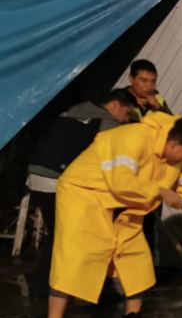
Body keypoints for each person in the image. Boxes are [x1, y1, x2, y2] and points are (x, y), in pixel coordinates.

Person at [35, 113, 182, 318]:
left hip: (124, 203)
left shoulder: (174, 160)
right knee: (75, 258)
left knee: (136, 257)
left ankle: (132, 317)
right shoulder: (133, 138)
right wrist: (161, 191)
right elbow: (120, 181)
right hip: (84, 193)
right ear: (174, 144)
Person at [25, 89, 138, 298]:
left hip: (36, 173)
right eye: (128, 114)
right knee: (68, 236)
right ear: (117, 105)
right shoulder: (108, 123)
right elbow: (117, 160)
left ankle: (44, 283)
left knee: (57, 233)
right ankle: (52, 286)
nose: (125, 120)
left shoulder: (74, 111)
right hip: (57, 179)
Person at [124, 59, 173, 255]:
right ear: (131, 79)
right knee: (128, 225)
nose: (149, 86)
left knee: (150, 224)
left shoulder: (157, 99)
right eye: (143, 81)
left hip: (153, 172)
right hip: (129, 173)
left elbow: (173, 128)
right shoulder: (121, 100)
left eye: (152, 81)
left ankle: (148, 274)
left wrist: (158, 109)